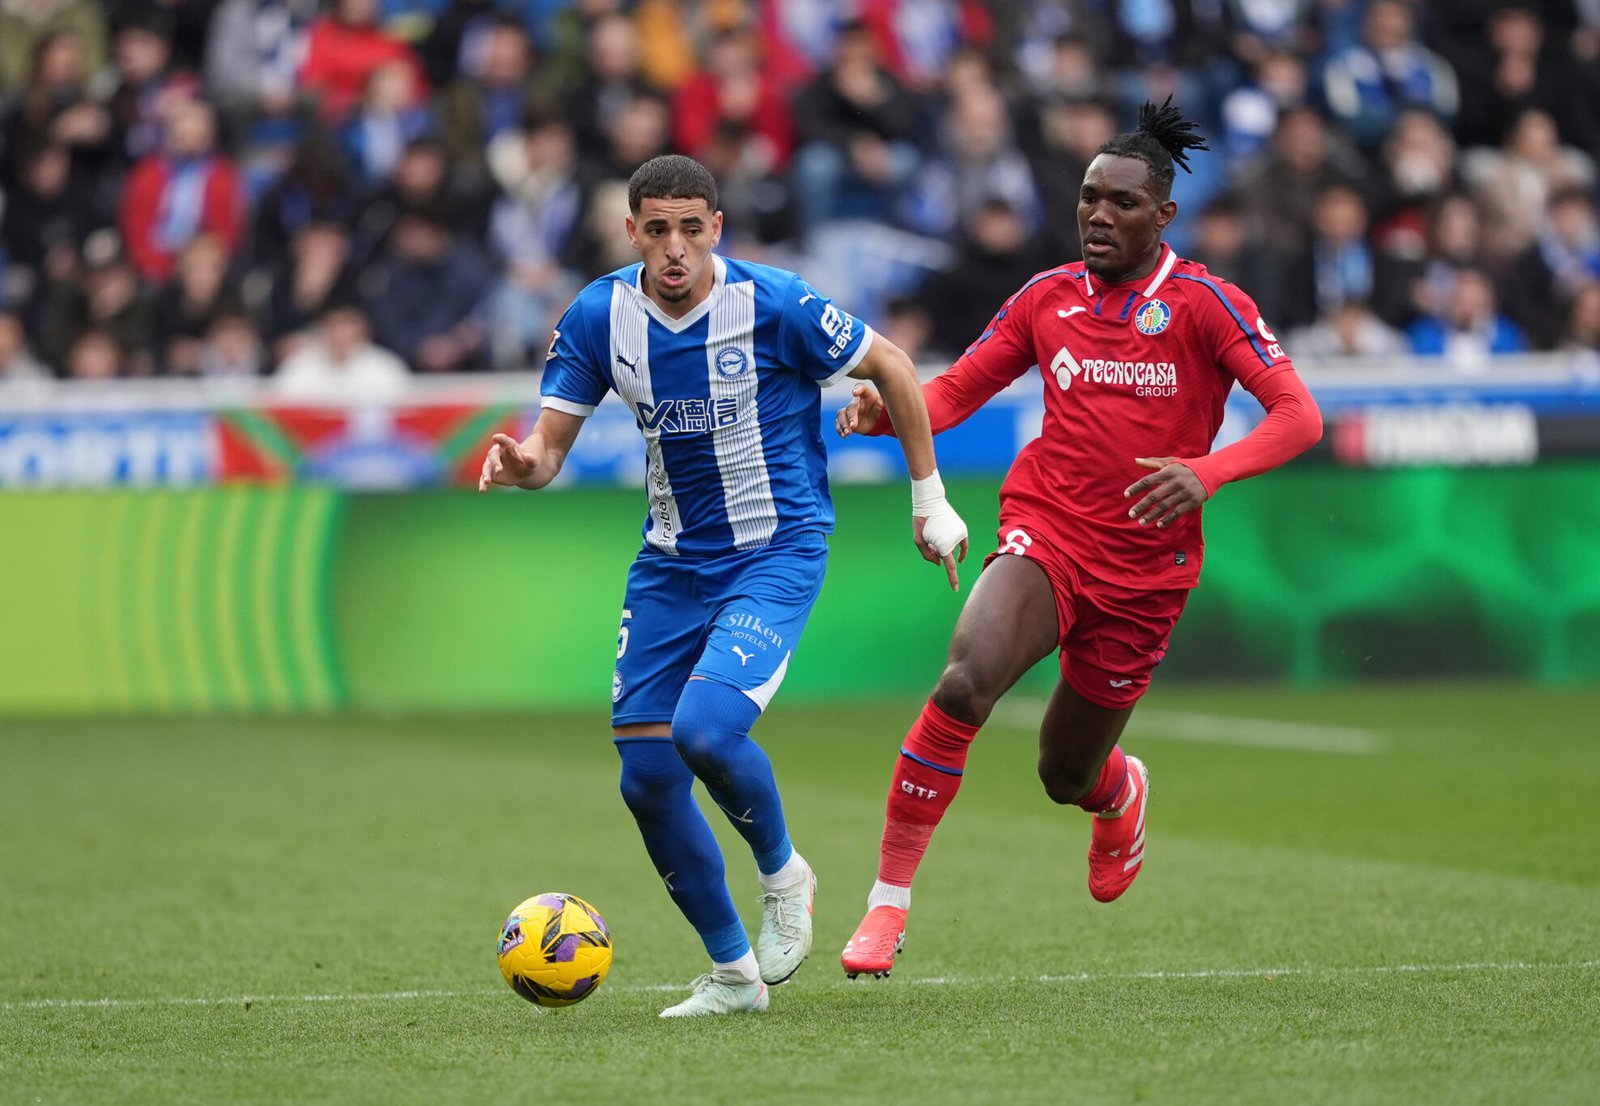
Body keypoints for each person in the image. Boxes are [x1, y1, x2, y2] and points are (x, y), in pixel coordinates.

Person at [833, 101, 1323, 978]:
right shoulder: (1046, 298)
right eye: (1090, 199)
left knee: (1064, 773)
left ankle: (1118, 792)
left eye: (1122, 203)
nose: (1099, 215)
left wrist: (1205, 473)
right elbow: (954, 393)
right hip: (1047, 532)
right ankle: (886, 905)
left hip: (1145, 574)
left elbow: (1300, 418)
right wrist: (887, 416)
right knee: (964, 682)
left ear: (1163, 214)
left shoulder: (1208, 305)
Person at [477, 154, 968, 1017]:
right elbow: (547, 451)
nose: (675, 249)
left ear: (717, 231)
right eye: (657, 229)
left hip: (775, 550)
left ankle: (786, 876)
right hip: (670, 563)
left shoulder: (773, 303)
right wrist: (524, 465)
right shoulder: (599, 316)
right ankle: (735, 976)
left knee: (705, 730)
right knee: (646, 779)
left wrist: (929, 501)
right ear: (631, 231)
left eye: (691, 229)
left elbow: (890, 364)